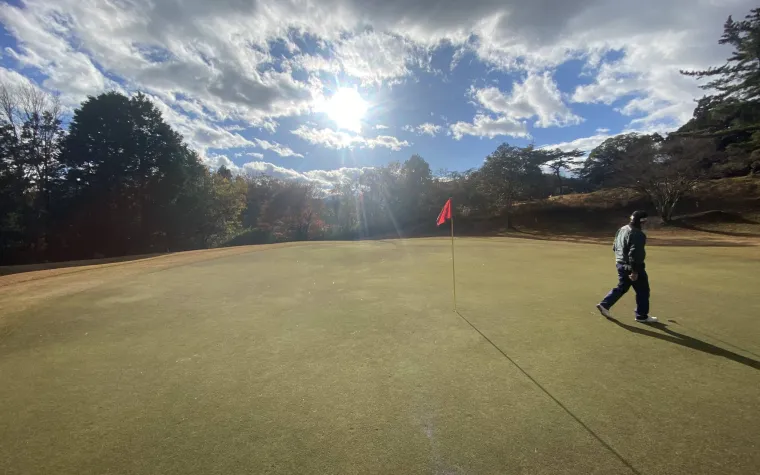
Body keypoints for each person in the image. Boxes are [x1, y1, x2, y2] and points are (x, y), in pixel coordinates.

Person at [596, 211, 658, 323]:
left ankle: (605, 304)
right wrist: (634, 271)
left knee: (623, 287)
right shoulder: (638, 234)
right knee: (643, 290)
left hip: (620, 264)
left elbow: (614, 247)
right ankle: (641, 315)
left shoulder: (622, 229)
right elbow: (635, 254)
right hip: (632, 266)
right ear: (642, 221)